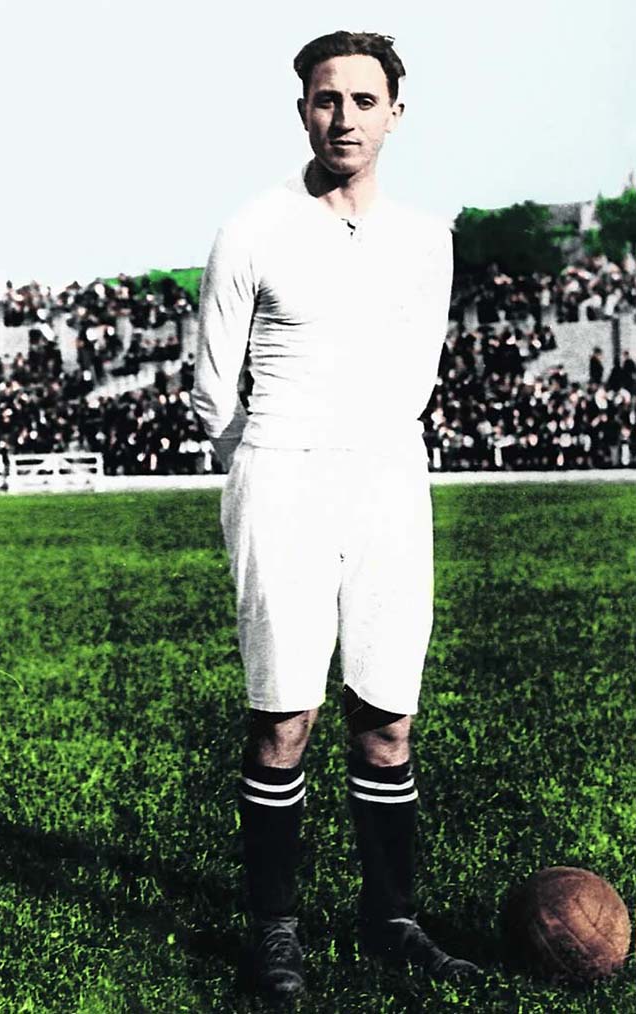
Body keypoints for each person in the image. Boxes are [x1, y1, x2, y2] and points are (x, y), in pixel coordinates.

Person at [192, 29, 481, 1001]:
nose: (343, 118)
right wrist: (272, 466)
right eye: (326, 99)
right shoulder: (253, 226)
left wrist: (368, 451)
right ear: (302, 110)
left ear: (394, 113)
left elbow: (418, 375)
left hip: (389, 476)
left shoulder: (427, 237)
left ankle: (390, 920)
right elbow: (212, 391)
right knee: (285, 716)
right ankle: (274, 932)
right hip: (279, 474)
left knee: (387, 718)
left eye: (363, 100)